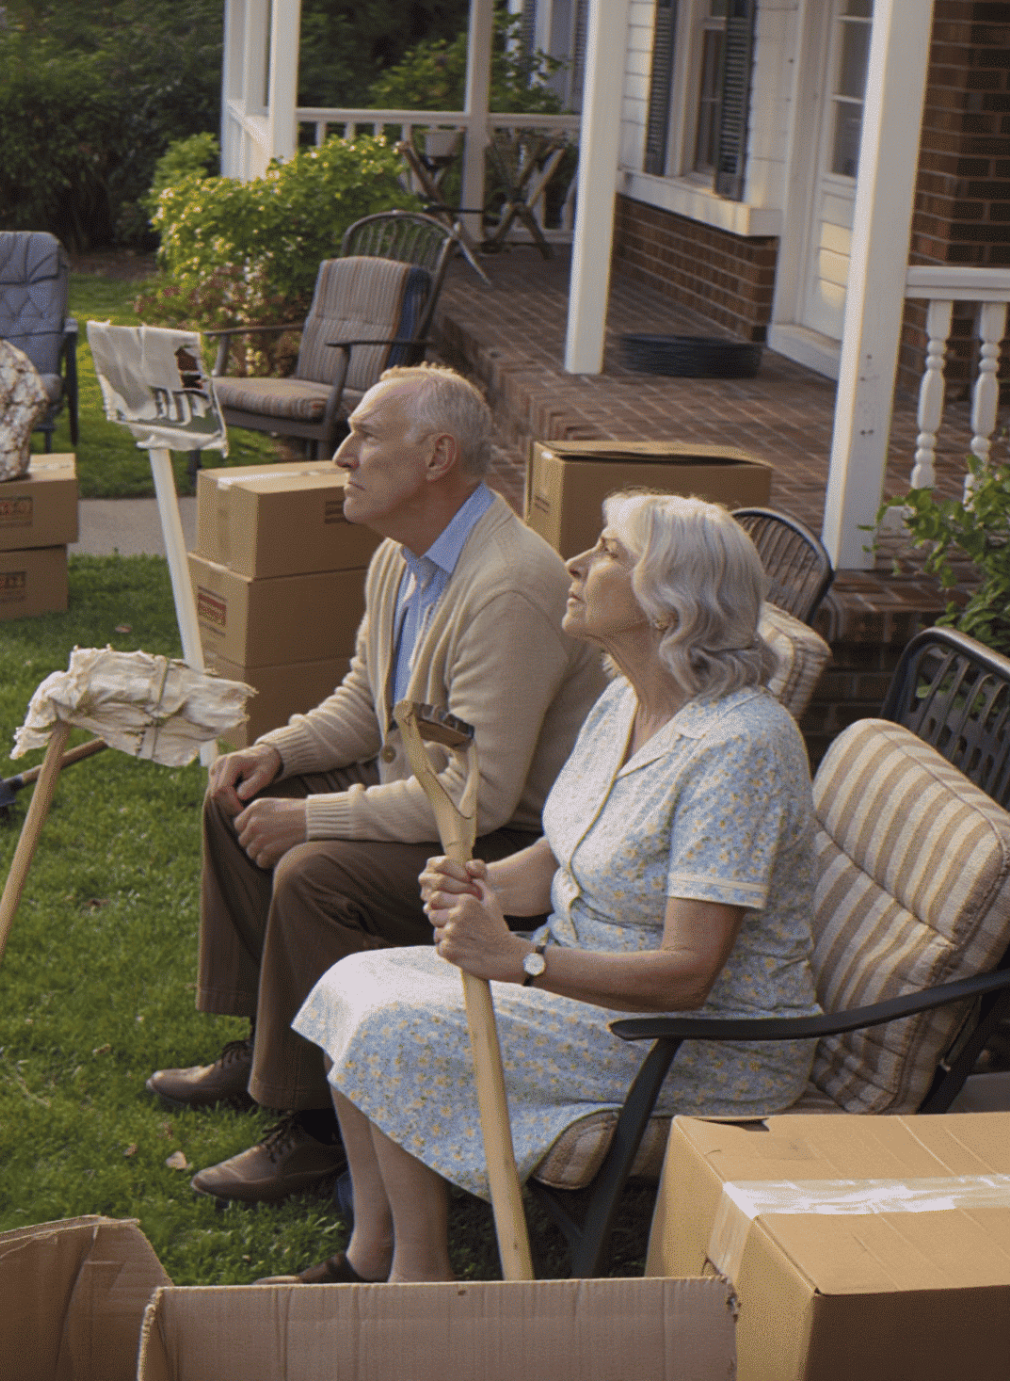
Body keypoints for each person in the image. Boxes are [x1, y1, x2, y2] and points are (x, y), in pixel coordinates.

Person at [263, 492, 819, 1284]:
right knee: (350, 983)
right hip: (590, 986)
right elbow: (563, 852)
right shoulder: (626, 696)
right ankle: (374, 1251)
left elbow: (689, 972)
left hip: (697, 1044)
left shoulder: (740, 749)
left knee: (399, 1031)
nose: (576, 564)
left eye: (608, 552)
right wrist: (483, 881)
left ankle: (417, 1282)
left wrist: (518, 960)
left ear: (670, 605)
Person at [149, 364, 607, 1203]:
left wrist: (317, 820)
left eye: (366, 436)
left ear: (437, 456)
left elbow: (480, 796)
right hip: (435, 795)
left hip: (506, 847)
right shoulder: (405, 557)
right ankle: (265, 1040)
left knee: (314, 870)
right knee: (237, 797)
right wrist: (276, 757)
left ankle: (320, 1120)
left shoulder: (508, 585)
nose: (343, 456)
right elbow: (369, 700)